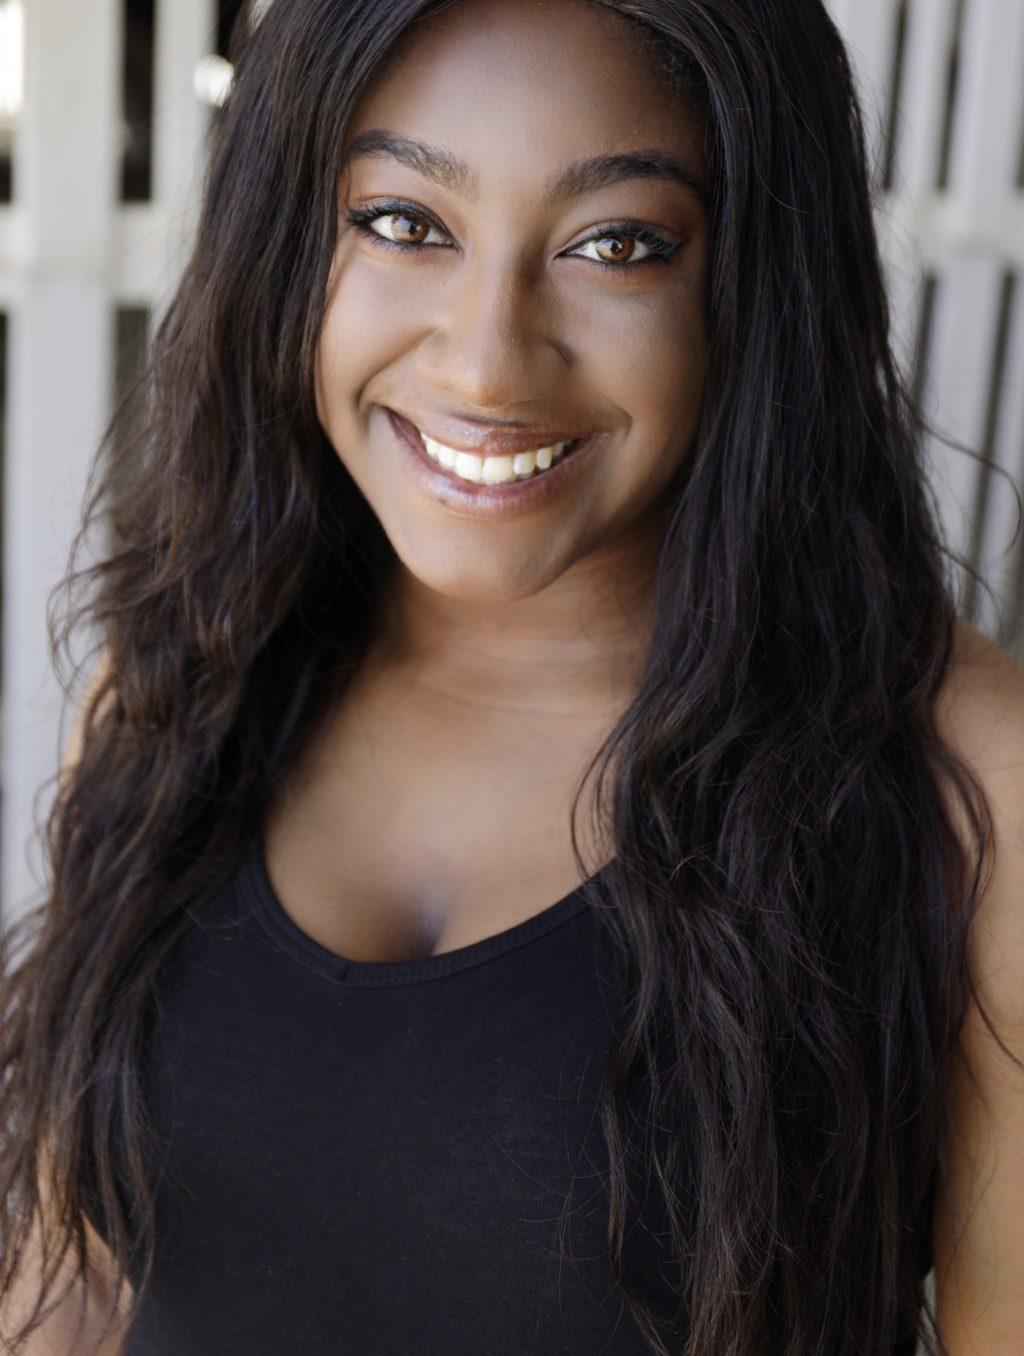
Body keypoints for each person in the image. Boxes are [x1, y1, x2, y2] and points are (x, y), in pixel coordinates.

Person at [2, 0, 1023, 1351]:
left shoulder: (971, 789)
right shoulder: (182, 680)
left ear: (756, 282)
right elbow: (66, 1289)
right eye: (404, 222)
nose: (487, 360)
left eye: (618, 245)